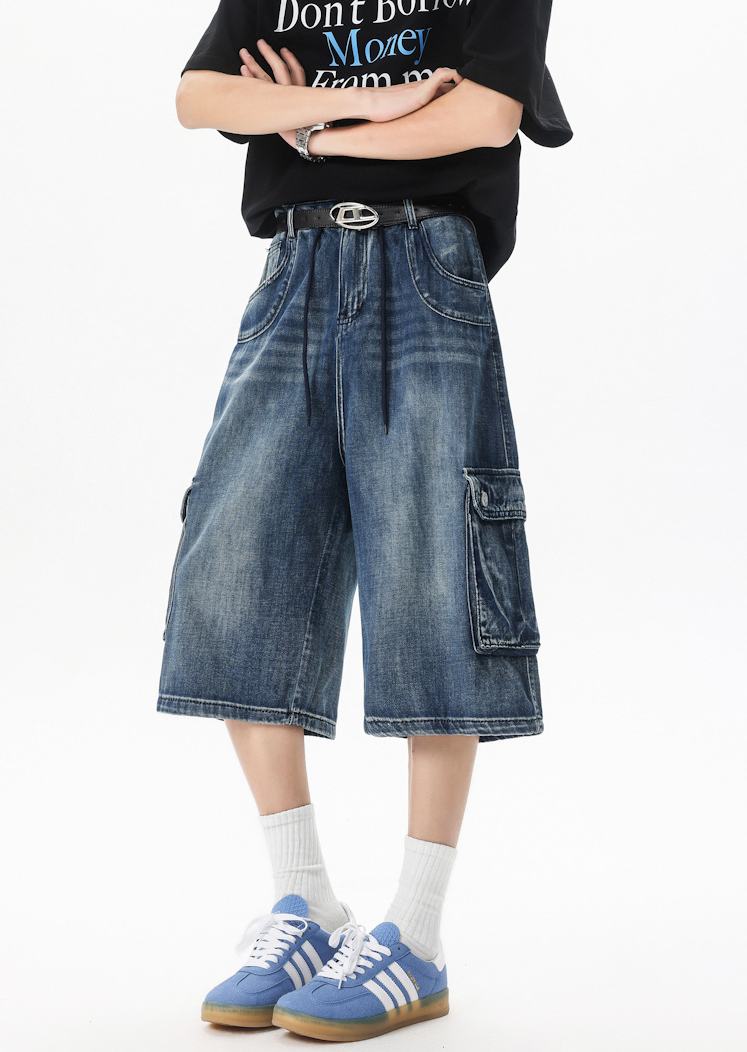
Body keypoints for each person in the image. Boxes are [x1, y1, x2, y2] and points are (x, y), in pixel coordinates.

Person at [157, 0, 572, 1040]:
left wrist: (301, 125)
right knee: (236, 564)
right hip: (292, 269)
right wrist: (374, 106)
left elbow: (484, 116)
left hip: (427, 266)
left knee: (435, 573)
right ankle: (305, 901)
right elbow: (199, 96)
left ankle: (416, 934)